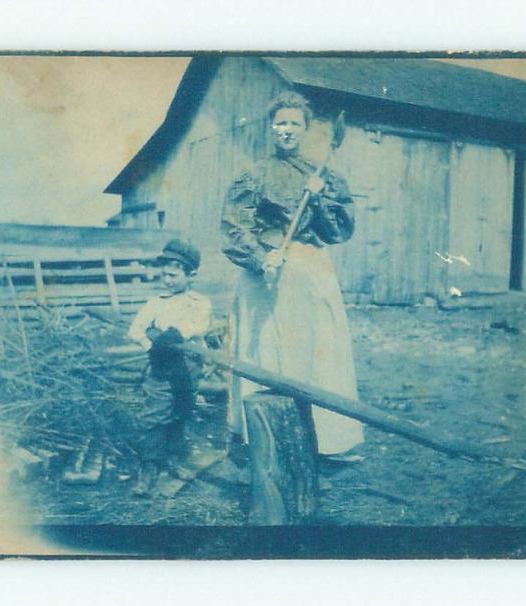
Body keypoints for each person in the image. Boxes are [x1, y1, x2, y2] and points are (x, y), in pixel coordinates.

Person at [221, 91, 364, 520]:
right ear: (271, 128)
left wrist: (319, 198)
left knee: (314, 353)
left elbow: (339, 230)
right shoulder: (254, 174)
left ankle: (324, 441)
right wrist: (260, 254)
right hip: (266, 274)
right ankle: (261, 438)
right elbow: (233, 227)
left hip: (310, 271)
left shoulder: (325, 177)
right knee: (266, 350)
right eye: (279, 123)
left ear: (305, 129)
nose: (285, 130)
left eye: (294, 124)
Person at [127, 238, 213, 496]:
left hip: (189, 367)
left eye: (173, 275)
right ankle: (149, 467)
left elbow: (199, 326)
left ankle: (173, 459)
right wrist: (150, 346)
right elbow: (134, 330)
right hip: (162, 368)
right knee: (155, 415)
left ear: (191, 274)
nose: (167, 280)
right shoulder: (156, 303)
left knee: (182, 410)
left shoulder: (199, 302)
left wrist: (176, 333)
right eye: (164, 275)